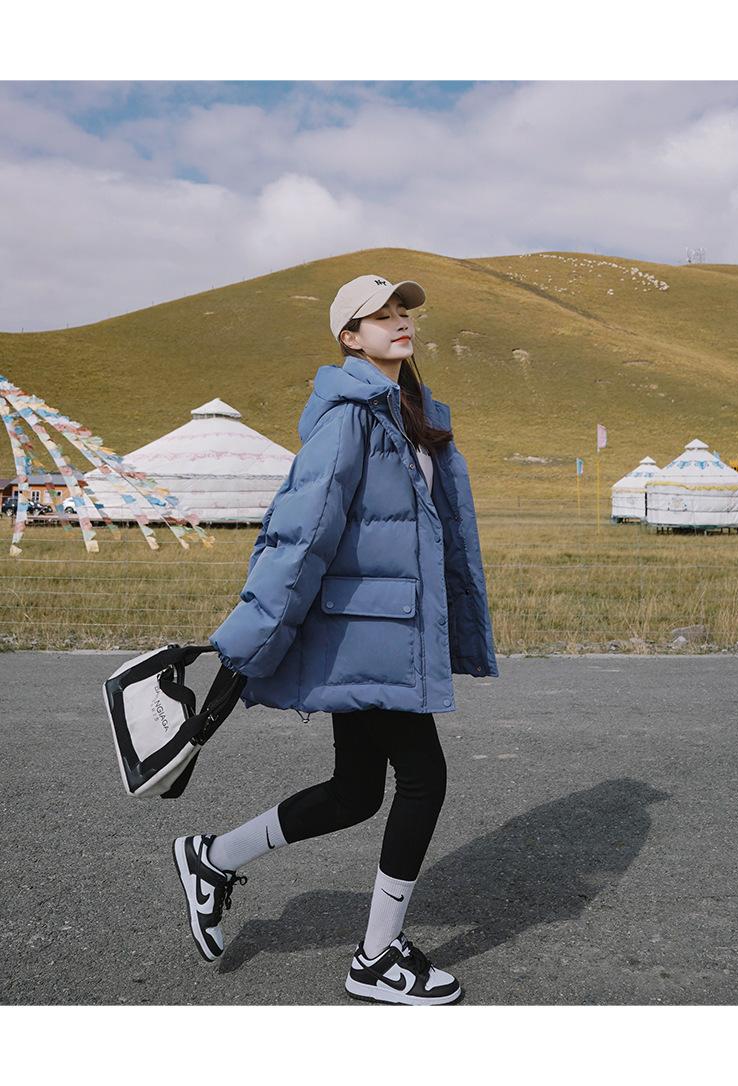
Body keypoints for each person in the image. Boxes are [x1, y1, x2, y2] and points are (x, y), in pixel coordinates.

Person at [172, 273, 499, 1005]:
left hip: (385, 628)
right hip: (368, 635)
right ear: (349, 338)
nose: (399, 322)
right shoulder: (351, 417)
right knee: (423, 778)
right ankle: (376, 957)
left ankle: (212, 857)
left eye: (403, 311)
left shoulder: (406, 410)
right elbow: (301, 533)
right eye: (379, 316)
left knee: (356, 792)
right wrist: (250, 634)